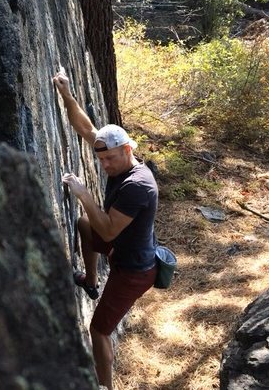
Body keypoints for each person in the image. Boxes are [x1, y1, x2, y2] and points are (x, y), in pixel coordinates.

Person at [52, 70, 158, 390]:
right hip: (122, 250)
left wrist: (83, 193)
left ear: (127, 149)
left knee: (99, 330)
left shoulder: (138, 186)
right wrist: (67, 92)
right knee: (85, 226)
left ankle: (104, 387)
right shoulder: (116, 155)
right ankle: (91, 280)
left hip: (134, 270)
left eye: (110, 159)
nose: (105, 166)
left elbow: (109, 231)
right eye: (102, 160)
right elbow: (85, 127)